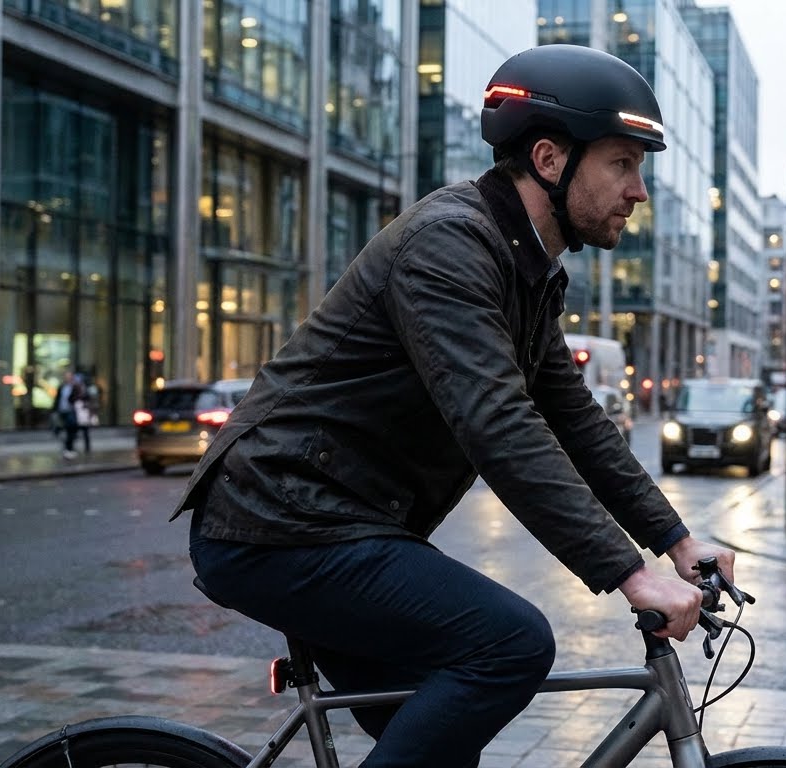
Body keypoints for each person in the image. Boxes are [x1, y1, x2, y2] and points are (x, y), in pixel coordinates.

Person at [172, 45, 732, 767]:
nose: (638, 191)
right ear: (549, 159)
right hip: (279, 523)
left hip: (337, 522)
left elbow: (575, 422)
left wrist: (677, 542)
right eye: (622, 164)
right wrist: (628, 572)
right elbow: (497, 424)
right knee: (510, 643)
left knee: (441, 748)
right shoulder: (449, 247)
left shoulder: (524, 269)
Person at [54, 370, 81, 459]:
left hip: (71, 411)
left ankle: (69, 449)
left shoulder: (75, 386)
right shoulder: (62, 387)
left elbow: (79, 397)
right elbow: (58, 399)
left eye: (69, 376)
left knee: (71, 430)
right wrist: (55, 409)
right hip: (62, 411)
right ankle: (67, 449)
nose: (67, 378)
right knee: (64, 430)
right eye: (66, 376)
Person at [71, 372, 98, 453]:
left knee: (85, 432)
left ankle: (87, 448)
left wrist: (90, 410)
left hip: (84, 414)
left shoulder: (87, 389)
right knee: (74, 432)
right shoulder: (75, 389)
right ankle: (71, 448)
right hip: (77, 413)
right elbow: (71, 399)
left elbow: (91, 400)